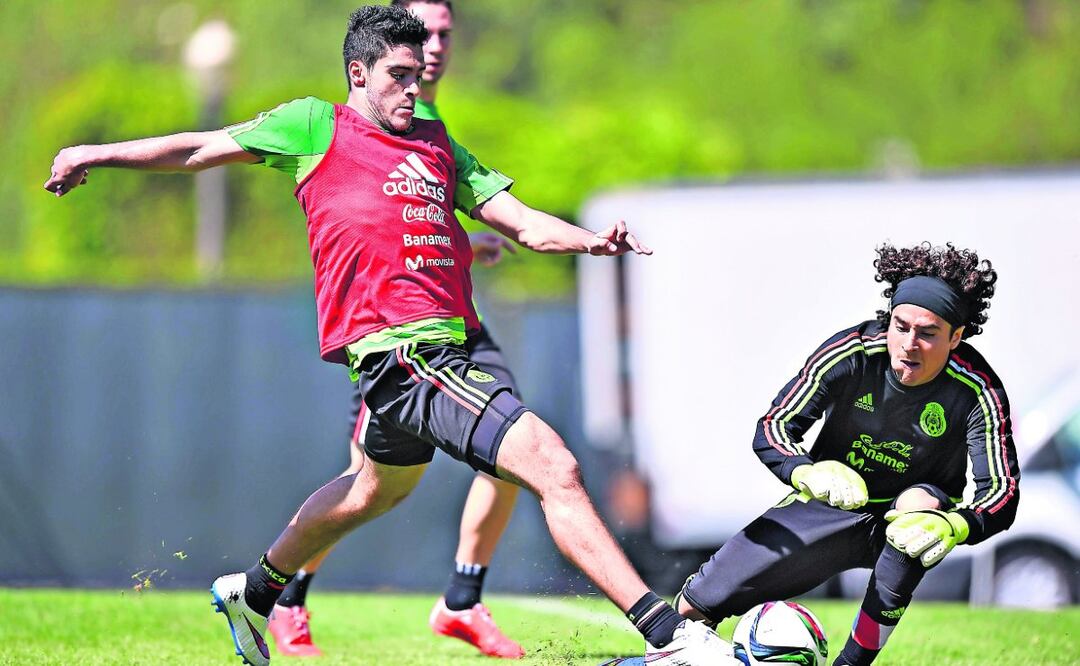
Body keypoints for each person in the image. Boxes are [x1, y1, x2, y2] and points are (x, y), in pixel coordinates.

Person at [46, 6, 736, 666]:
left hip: (448, 350)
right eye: (397, 76)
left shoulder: (438, 143)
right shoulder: (314, 126)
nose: (414, 87)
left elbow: (521, 221)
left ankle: (254, 594)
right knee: (553, 465)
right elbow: (199, 148)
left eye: (417, 74)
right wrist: (93, 153)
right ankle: (668, 634)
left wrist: (589, 241)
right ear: (357, 75)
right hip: (405, 356)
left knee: (370, 491)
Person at [265, 1, 526, 658]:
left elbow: (422, 206)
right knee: (367, 485)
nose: (436, 46)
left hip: (458, 322)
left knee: (519, 451)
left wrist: (467, 239)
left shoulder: (426, 119)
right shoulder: (360, 118)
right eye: (424, 33)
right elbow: (371, 209)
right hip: (395, 334)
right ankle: (284, 596)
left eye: (445, 34)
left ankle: (463, 599)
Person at [673, 242, 1020, 665]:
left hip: (906, 519)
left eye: (928, 333)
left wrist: (955, 525)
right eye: (900, 325)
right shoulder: (853, 351)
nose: (909, 344)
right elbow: (774, 426)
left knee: (916, 508)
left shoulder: (977, 388)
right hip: (831, 505)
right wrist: (804, 472)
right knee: (692, 608)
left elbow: (1001, 492)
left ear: (956, 337)